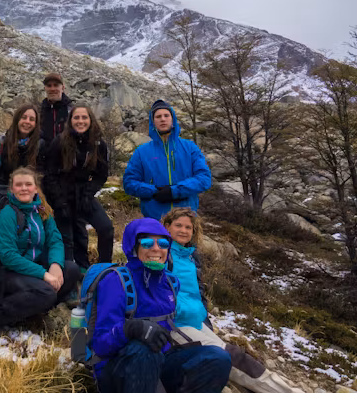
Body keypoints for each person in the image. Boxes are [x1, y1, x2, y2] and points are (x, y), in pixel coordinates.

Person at [163, 208, 303, 393]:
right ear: (166, 227)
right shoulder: (163, 253)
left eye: (188, 227)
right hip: (176, 323)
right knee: (228, 355)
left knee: (235, 355)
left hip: (194, 321)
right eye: (178, 225)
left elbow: (197, 292)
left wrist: (203, 317)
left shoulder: (189, 256)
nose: (183, 230)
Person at [91, 217, 232, 393]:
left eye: (164, 243)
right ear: (133, 247)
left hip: (158, 362)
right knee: (143, 350)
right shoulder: (116, 281)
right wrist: (130, 329)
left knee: (218, 358)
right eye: (147, 242)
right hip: (118, 370)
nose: (156, 248)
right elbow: (100, 345)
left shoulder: (171, 283)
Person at [0, 167, 79, 327]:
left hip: (31, 270)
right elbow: (8, 256)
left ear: (36, 188)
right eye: (19, 185)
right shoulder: (7, 214)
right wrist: (44, 274)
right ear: (11, 189)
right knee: (46, 292)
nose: (24, 188)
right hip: (4, 273)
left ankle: (36, 308)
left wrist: (55, 265)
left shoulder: (42, 210)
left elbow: (55, 240)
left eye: (28, 184)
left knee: (71, 270)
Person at [44, 104, 114, 272]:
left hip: (84, 193)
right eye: (76, 117)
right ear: (70, 120)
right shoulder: (60, 141)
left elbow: (101, 174)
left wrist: (89, 192)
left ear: (90, 120)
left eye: (84, 117)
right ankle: (71, 275)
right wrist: (59, 202)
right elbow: (50, 174)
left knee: (106, 228)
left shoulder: (98, 144)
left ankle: (104, 270)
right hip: (62, 193)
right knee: (67, 236)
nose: (80, 121)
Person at [123, 99, 211, 220]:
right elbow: (129, 183)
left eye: (166, 115)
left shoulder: (190, 148)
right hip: (155, 221)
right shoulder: (141, 152)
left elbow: (204, 179)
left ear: (172, 119)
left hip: (186, 221)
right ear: (153, 122)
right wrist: (153, 191)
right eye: (158, 116)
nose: (163, 119)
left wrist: (174, 191)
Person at [0, 103, 45, 193]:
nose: (27, 121)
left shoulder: (40, 145)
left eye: (32, 119)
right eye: (24, 117)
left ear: (36, 124)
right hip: (4, 193)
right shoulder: (1, 143)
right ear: (17, 119)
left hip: (29, 195)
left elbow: (42, 172)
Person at [40, 72, 73, 147]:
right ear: (45, 88)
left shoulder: (72, 110)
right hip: (44, 156)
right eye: (49, 85)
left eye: (56, 85)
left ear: (63, 88)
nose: (52, 89)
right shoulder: (39, 110)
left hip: (66, 155)